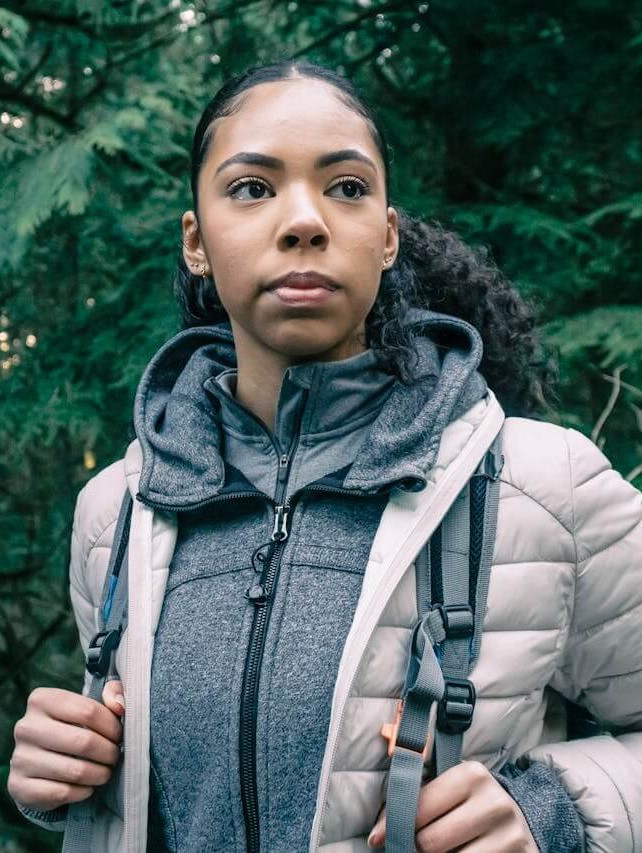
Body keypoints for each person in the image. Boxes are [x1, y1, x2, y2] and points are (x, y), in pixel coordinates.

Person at [7, 60, 642, 853]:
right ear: (196, 241)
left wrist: (557, 813)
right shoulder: (117, 512)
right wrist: (63, 773)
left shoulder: (547, 488)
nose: (304, 219)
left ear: (386, 235)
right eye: (252, 188)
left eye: (346, 187)